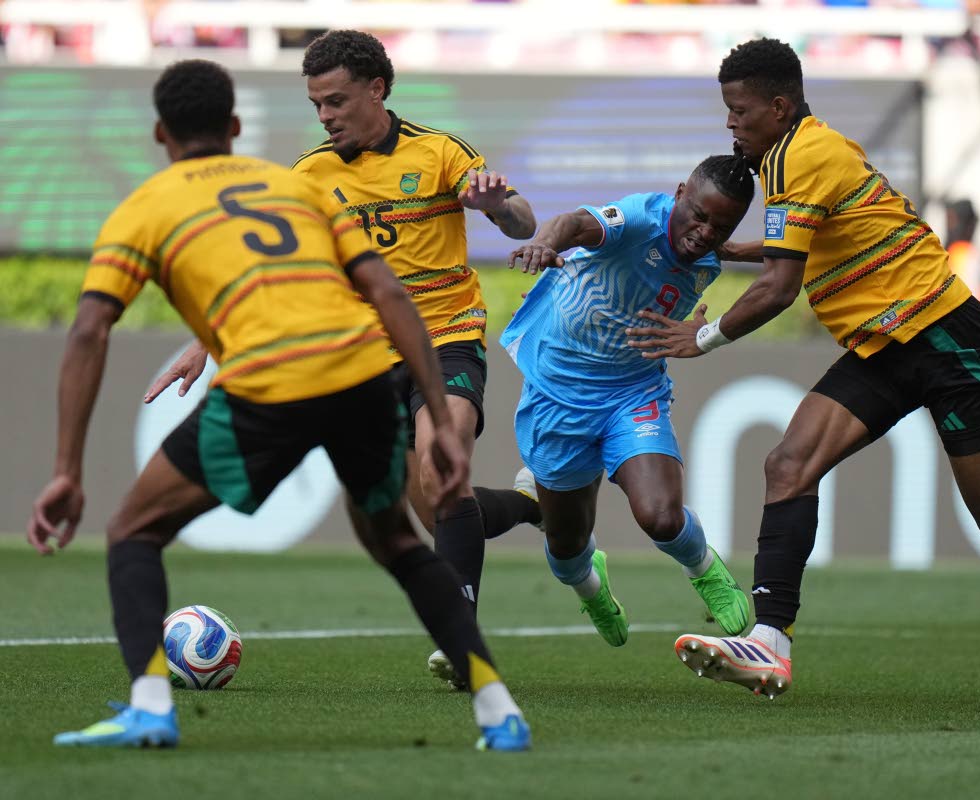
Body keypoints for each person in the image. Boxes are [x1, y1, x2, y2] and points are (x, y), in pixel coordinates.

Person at [626, 38, 980, 700]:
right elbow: (803, 247)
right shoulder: (791, 158)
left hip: (944, 335)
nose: (731, 123)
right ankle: (770, 643)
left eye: (739, 110)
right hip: (885, 345)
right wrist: (732, 250)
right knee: (788, 465)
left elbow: (780, 287)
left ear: (778, 105)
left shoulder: (805, 156)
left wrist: (701, 337)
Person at [28, 59, 530, 751]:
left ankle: (149, 708)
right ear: (235, 127)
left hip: (274, 382)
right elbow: (386, 294)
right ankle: (499, 711)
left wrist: (65, 469)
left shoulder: (145, 206)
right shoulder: (290, 186)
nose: (325, 116)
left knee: (133, 532)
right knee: (399, 544)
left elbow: (89, 329)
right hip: (360, 372)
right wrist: (441, 422)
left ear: (158, 135)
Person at [145, 30, 542, 690]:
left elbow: (524, 222)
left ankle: (460, 637)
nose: (325, 116)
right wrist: (204, 343)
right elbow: (271, 275)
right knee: (440, 503)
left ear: (376, 90)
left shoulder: (439, 152)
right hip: (363, 358)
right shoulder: (310, 175)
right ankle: (535, 504)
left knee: (440, 456)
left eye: (335, 101)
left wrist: (496, 205)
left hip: (446, 339)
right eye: (316, 105)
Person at [503, 156, 755, 646]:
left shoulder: (712, 249)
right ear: (681, 192)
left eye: (720, 226)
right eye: (699, 216)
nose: (705, 232)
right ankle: (592, 588)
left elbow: (776, 254)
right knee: (567, 545)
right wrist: (543, 244)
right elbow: (575, 223)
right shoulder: (640, 218)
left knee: (660, 515)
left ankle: (705, 571)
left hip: (632, 391)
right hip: (559, 394)